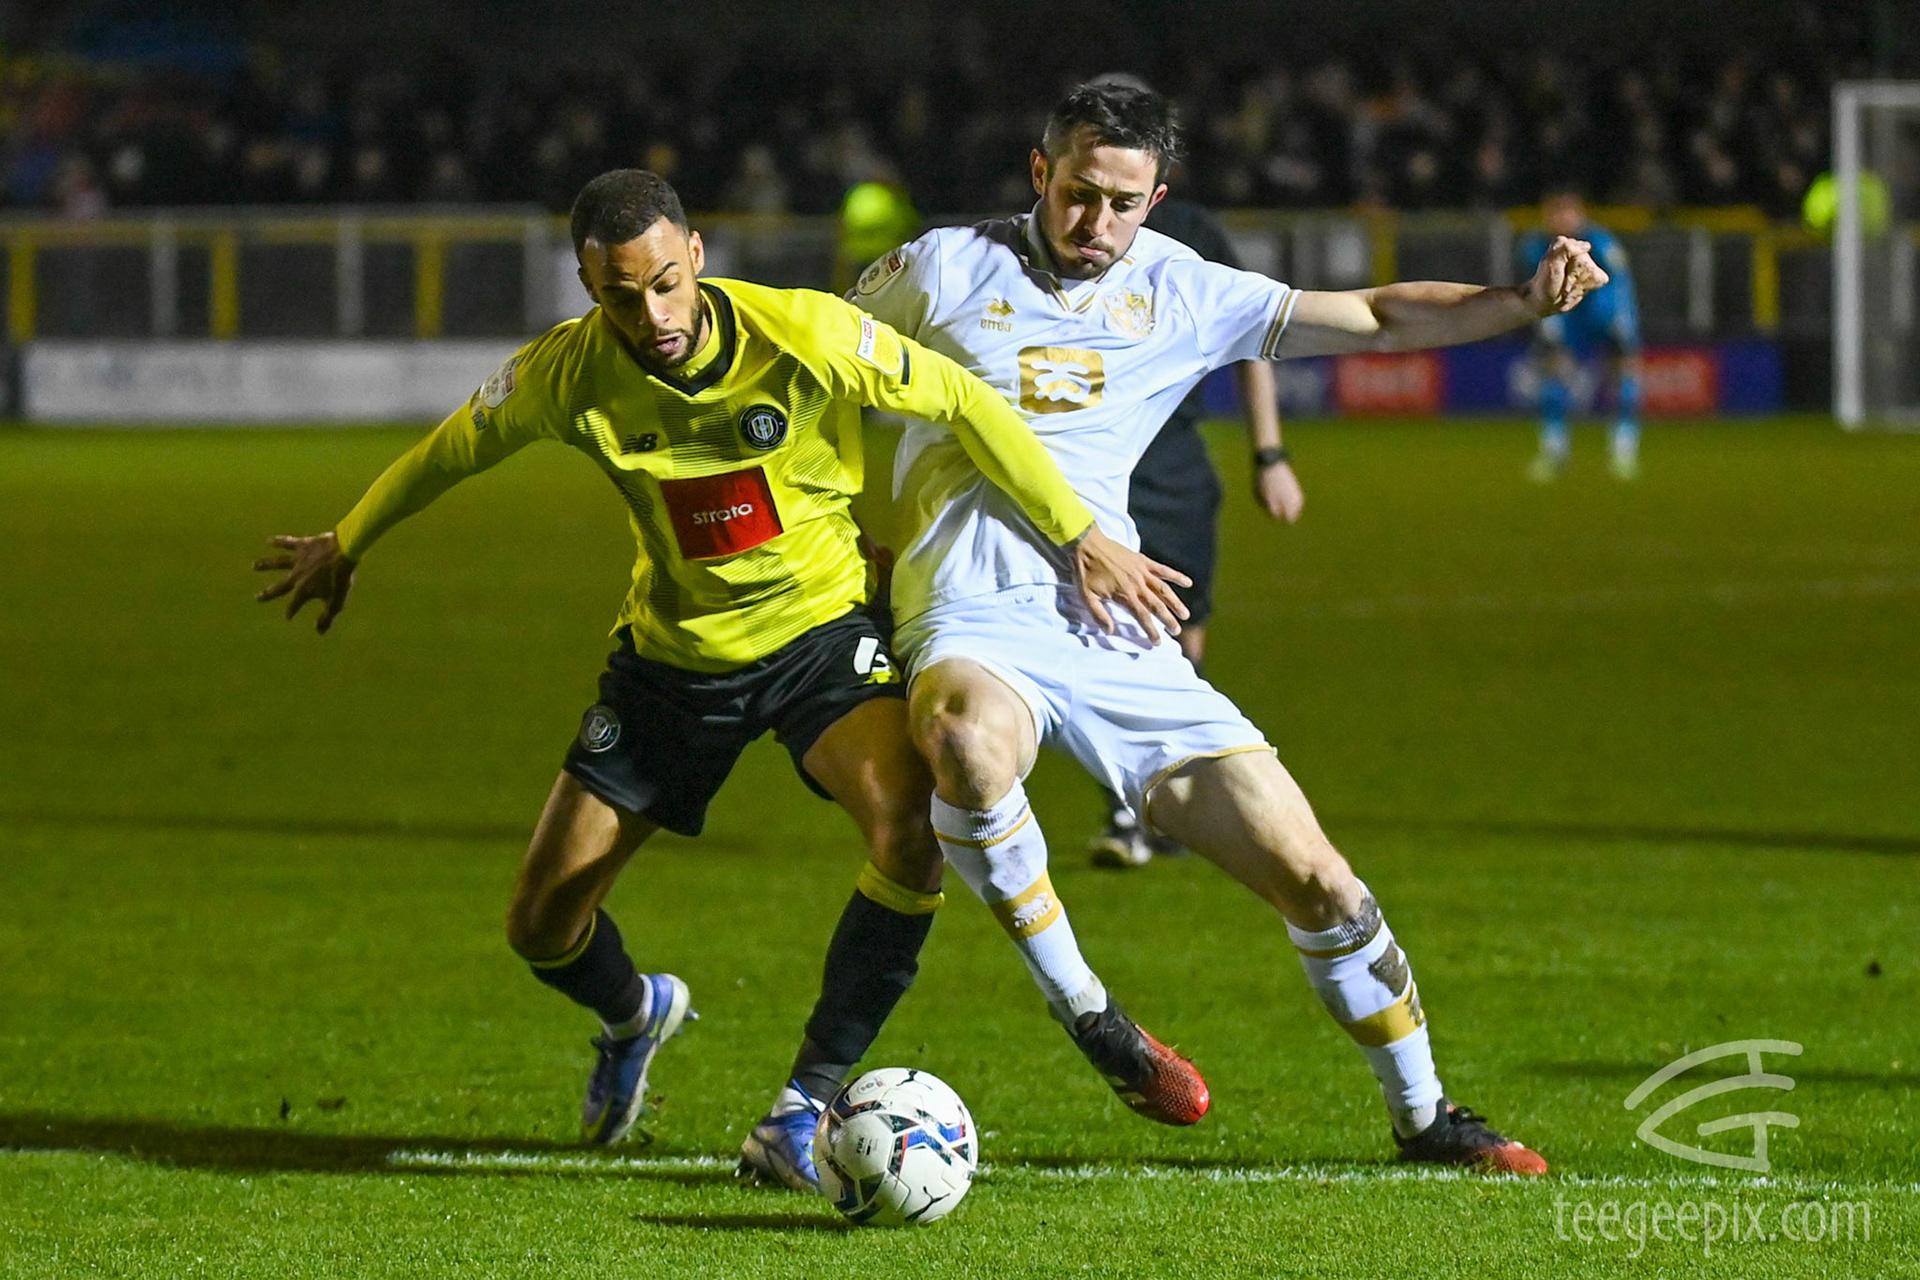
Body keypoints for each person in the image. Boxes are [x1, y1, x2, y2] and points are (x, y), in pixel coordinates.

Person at [252, 169, 1175, 1169]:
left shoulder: (804, 331)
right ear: (587, 288)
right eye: (619, 296)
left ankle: (800, 1107)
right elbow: (451, 450)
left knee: (913, 833)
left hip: (820, 640)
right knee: (540, 924)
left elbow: (959, 395)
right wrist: (347, 539)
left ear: (695, 256)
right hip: (672, 663)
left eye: (664, 284)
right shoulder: (567, 373)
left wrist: (1077, 532)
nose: (651, 316)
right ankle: (634, 1012)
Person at [846, 81, 1608, 1174]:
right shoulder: (940, 268)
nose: (1095, 222)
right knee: (965, 740)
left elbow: (1376, 314)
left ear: (1157, 199)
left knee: (1319, 879)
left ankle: (1426, 1117)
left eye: (1123, 203)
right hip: (969, 613)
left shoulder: (1182, 289)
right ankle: (1091, 1012)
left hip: (1114, 622)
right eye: (1077, 193)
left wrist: (1524, 301)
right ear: (1039, 172)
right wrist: (839, 537)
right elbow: (810, 375)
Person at [1086, 187, 1303, 870]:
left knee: (1185, 635)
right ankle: (1129, 812)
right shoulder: (1069, 228)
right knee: (1112, 635)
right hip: (1094, 471)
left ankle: (1171, 805)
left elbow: (1254, 340)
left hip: (1175, 470)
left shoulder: (1190, 232)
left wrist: (1269, 454)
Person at [1522, 188, 1642, 481]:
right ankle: (1554, 453)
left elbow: (1618, 282)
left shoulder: (1598, 241)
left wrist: (1621, 321)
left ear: (1580, 214)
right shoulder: (1535, 246)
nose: (1562, 219)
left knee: (1623, 379)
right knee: (1553, 379)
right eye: (1556, 213)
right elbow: (1533, 289)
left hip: (1603, 316)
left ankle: (1623, 452)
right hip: (1566, 319)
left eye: (1568, 212)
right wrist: (1547, 323)